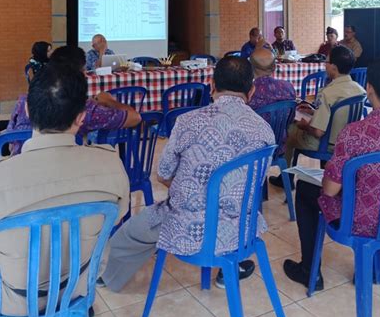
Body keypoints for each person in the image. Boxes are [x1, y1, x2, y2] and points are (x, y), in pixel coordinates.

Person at [98, 56, 275, 291]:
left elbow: (162, 174)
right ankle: (231, 265)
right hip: (240, 230)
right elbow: (253, 183)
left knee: (127, 235)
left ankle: (109, 280)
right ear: (251, 92)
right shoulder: (264, 130)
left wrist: (194, 190)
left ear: (212, 86)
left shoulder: (187, 122)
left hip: (186, 228)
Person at [0, 64, 130, 315]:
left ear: (28, 110)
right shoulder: (112, 165)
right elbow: (117, 217)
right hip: (78, 287)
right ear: (81, 117)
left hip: (11, 298)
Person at [283, 58, 380, 290]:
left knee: (305, 190)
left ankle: (309, 271)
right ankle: (374, 268)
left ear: (370, 88)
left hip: (358, 221)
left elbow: (330, 190)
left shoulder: (355, 133)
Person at [7, 46, 141, 154]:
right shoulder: (85, 108)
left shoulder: (24, 101)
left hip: (18, 168)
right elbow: (135, 118)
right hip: (69, 170)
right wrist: (109, 101)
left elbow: (8, 142)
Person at [270, 46, 365, 188]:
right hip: (346, 142)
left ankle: (286, 179)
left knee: (289, 132)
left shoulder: (328, 93)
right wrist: (314, 111)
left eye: (326, 62)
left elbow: (318, 132)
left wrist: (305, 126)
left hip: (325, 145)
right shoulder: (359, 90)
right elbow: (338, 114)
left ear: (333, 67)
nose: (325, 65)